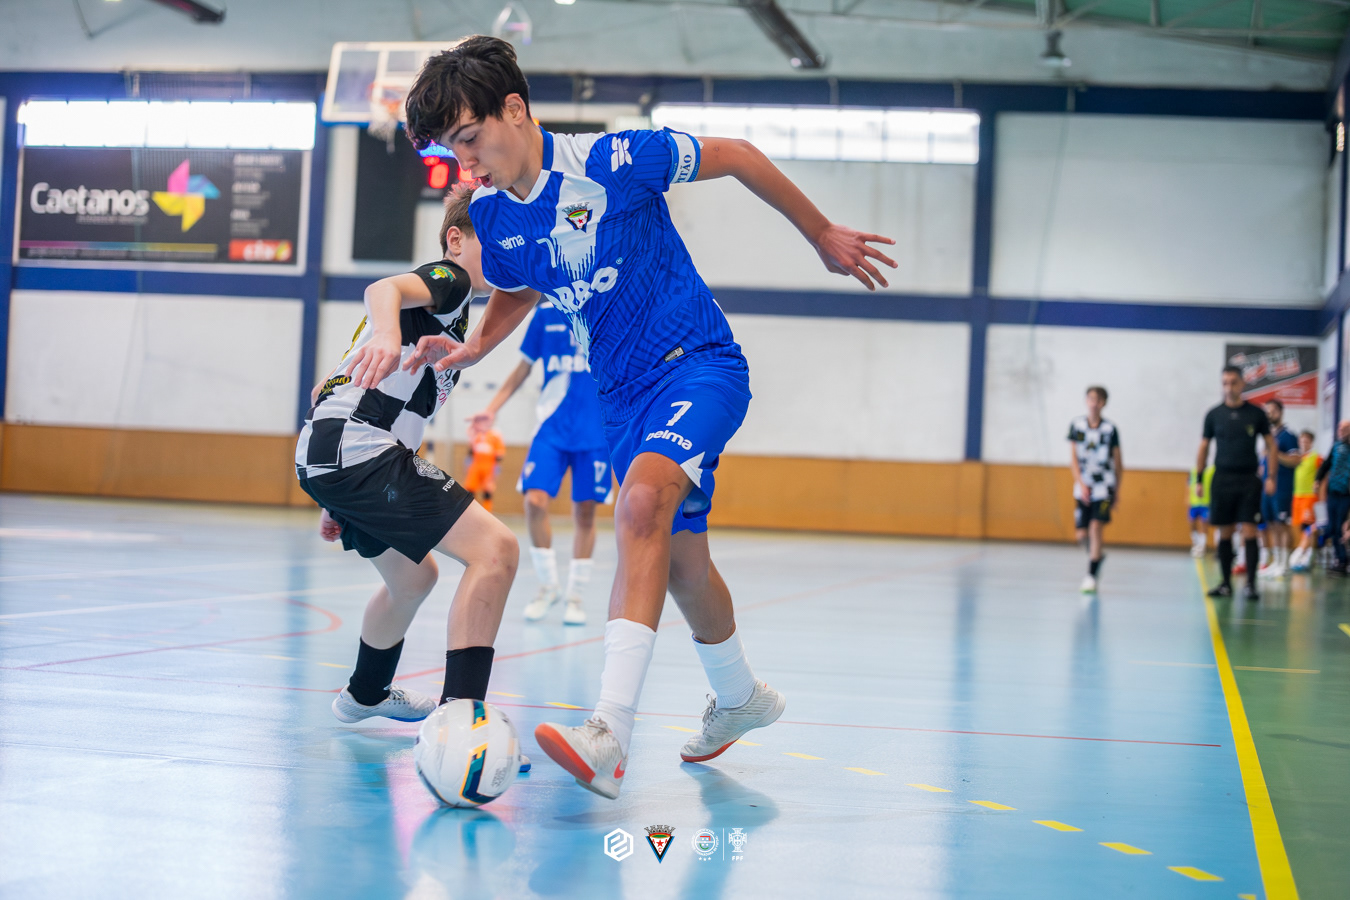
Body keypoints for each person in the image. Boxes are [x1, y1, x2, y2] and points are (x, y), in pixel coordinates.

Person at [401, 36, 897, 799]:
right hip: (621, 399)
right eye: (450, 150)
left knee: (638, 506)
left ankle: (609, 733)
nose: (465, 163)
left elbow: (738, 156)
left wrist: (820, 233)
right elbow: (520, 285)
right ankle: (740, 697)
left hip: (699, 364)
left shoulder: (614, 160)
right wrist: (474, 349)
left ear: (515, 109)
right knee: (681, 563)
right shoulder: (494, 219)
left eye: (469, 139)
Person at [295, 207, 525, 748]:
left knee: (414, 579)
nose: (505, 251)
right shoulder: (450, 281)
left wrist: (335, 494)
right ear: (455, 239)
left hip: (330, 452)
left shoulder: (447, 320)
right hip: (360, 449)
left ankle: (365, 692)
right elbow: (383, 287)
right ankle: (461, 723)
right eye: (494, 239)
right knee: (496, 550)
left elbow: (326, 392)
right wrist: (384, 331)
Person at [470, 295, 612, 627]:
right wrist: (491, 409)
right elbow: (522, 368)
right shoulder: (545, 315)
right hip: (551, 429)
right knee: (534, 501)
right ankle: (548, 587)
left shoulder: (607, 309)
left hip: (595, 431)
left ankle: (575, 596)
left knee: (586, 511)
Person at [1195, 366, 1278, 601]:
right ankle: (1225, 584)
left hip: (1248, 480)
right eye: (1225, 383)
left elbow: (1271, 446)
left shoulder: (1256, 413)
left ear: (1242, 384)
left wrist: (1271, 476)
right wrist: (1199, 479)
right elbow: (1204, 447)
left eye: (1233, 382)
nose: (1229, 387)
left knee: (1250, 530)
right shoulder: (1214, 414)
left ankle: (1250, 584)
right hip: (1222, 479)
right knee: (1225, 532)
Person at [1067, 386, 1122, 593]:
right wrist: (1081, 483)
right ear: (1086, 401)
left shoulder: (1110, 429)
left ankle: (1091, 575)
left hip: (1104, 486)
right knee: (1082, 535)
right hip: (1083, 485)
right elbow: (1073, 458)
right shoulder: (1077, 426)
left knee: (1095, 526)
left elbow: (1118, 462)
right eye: (1091, 399)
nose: (1094, 403)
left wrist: (1116, 490)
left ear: (1103, 403)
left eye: (1098, 400)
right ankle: (1097, 557)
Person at [1257, 399, 1301, 578]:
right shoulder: (1268, 437)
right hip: (1267, 488)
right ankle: (1276, 561)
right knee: (1272, 524)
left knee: (1282, 524)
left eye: (1273, 410)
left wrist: (1276, 454)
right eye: (1267, 411)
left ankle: (1285, 564)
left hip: (1282, 487)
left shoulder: (1288, 436)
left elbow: (1296, 460)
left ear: (1280, 412)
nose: (1269, 414)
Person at [1314, 420, 1350, 575]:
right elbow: (1326, 464)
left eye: (1345, 428)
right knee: (1332, 527)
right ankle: (1338, 558)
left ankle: (1343, 560)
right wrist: (1318, 479)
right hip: (1333, 493)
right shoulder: (1336, 446)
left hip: (1346, 494)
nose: (1341, 430)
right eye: (1340, 427)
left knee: (1341, 527)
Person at [1288, 430, 1320, 572]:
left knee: (1309, 526)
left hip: (1309, 497)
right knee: (1300, 526)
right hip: (1297, 496)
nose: (1303, 444)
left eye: (1306, 441)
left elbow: (1323, 475)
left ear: (1311, 442)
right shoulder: (1297, 459)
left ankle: (1306, 554)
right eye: (1301, 441)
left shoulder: (1316, 457)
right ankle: (1304, 552)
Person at [461, 423, 505, 511]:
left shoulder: (495, 435)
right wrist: (467, 463)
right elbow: (471, 451)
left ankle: (487, 512)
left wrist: (496, 468)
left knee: (487, 491)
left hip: (489, 466)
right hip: (475, 465)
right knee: (470, 490)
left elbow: (499, 455)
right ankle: (470, 511)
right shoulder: (476, 434)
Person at [1188, 464, 1215, 558]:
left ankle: (1202, 546)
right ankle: (1195, 544)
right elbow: (1189, 485)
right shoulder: (1193, 471)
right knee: (1192, 524)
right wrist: (1187, 499)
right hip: (1194, 503)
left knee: (1204, 524)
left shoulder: (1210, 471)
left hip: (1205, 503)